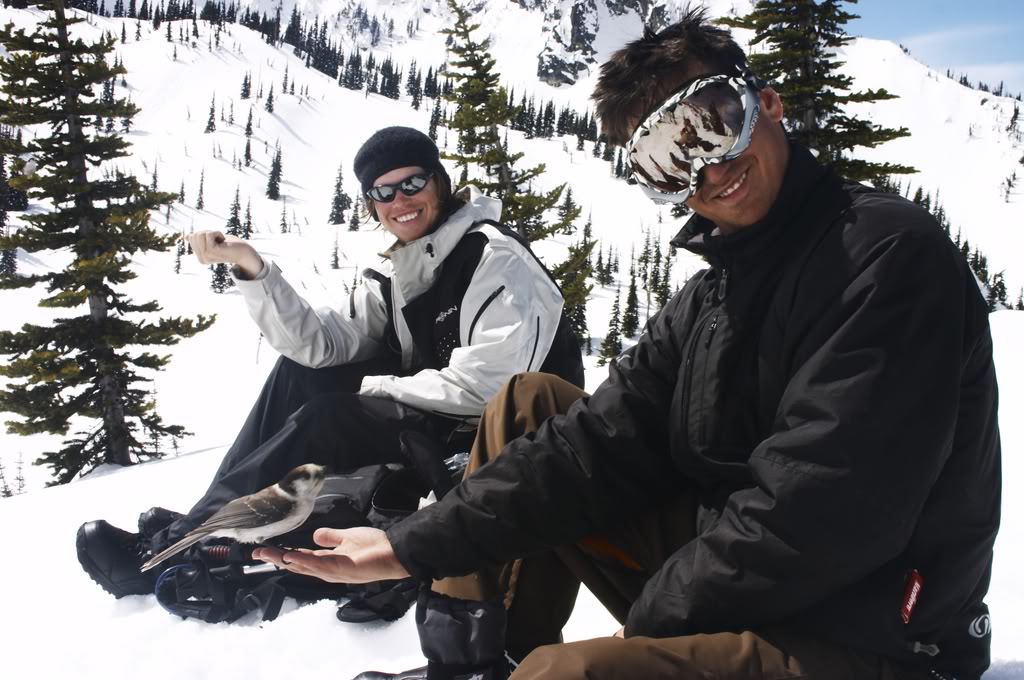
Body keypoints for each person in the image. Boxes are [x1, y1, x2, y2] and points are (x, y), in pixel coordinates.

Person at [253, 11, 1002, 680]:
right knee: (529, 406)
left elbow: (819, 515)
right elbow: (593, 445)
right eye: (667, 161)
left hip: (877, 635)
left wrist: (641, 632)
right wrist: (409, 545)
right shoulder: (718, 290)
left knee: (564, 675)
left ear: (765, 104)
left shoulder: (883, 260)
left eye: (715, 121)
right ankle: (471, 660)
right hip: (753, 580)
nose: (708, 167)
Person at [76, 126, 584, 599]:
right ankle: (202, 523)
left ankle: (172, 548)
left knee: (330, 416)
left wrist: (375, 388)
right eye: (383, 192)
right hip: (448, 418)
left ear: (440, 182)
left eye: (412, 183)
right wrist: (252, 267)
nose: (399, 201)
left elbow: (491, 387)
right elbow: (318, 346)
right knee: (301, 373)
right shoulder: (408, 265)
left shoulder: (495, 259)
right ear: (371, 203)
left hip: (502, 438)